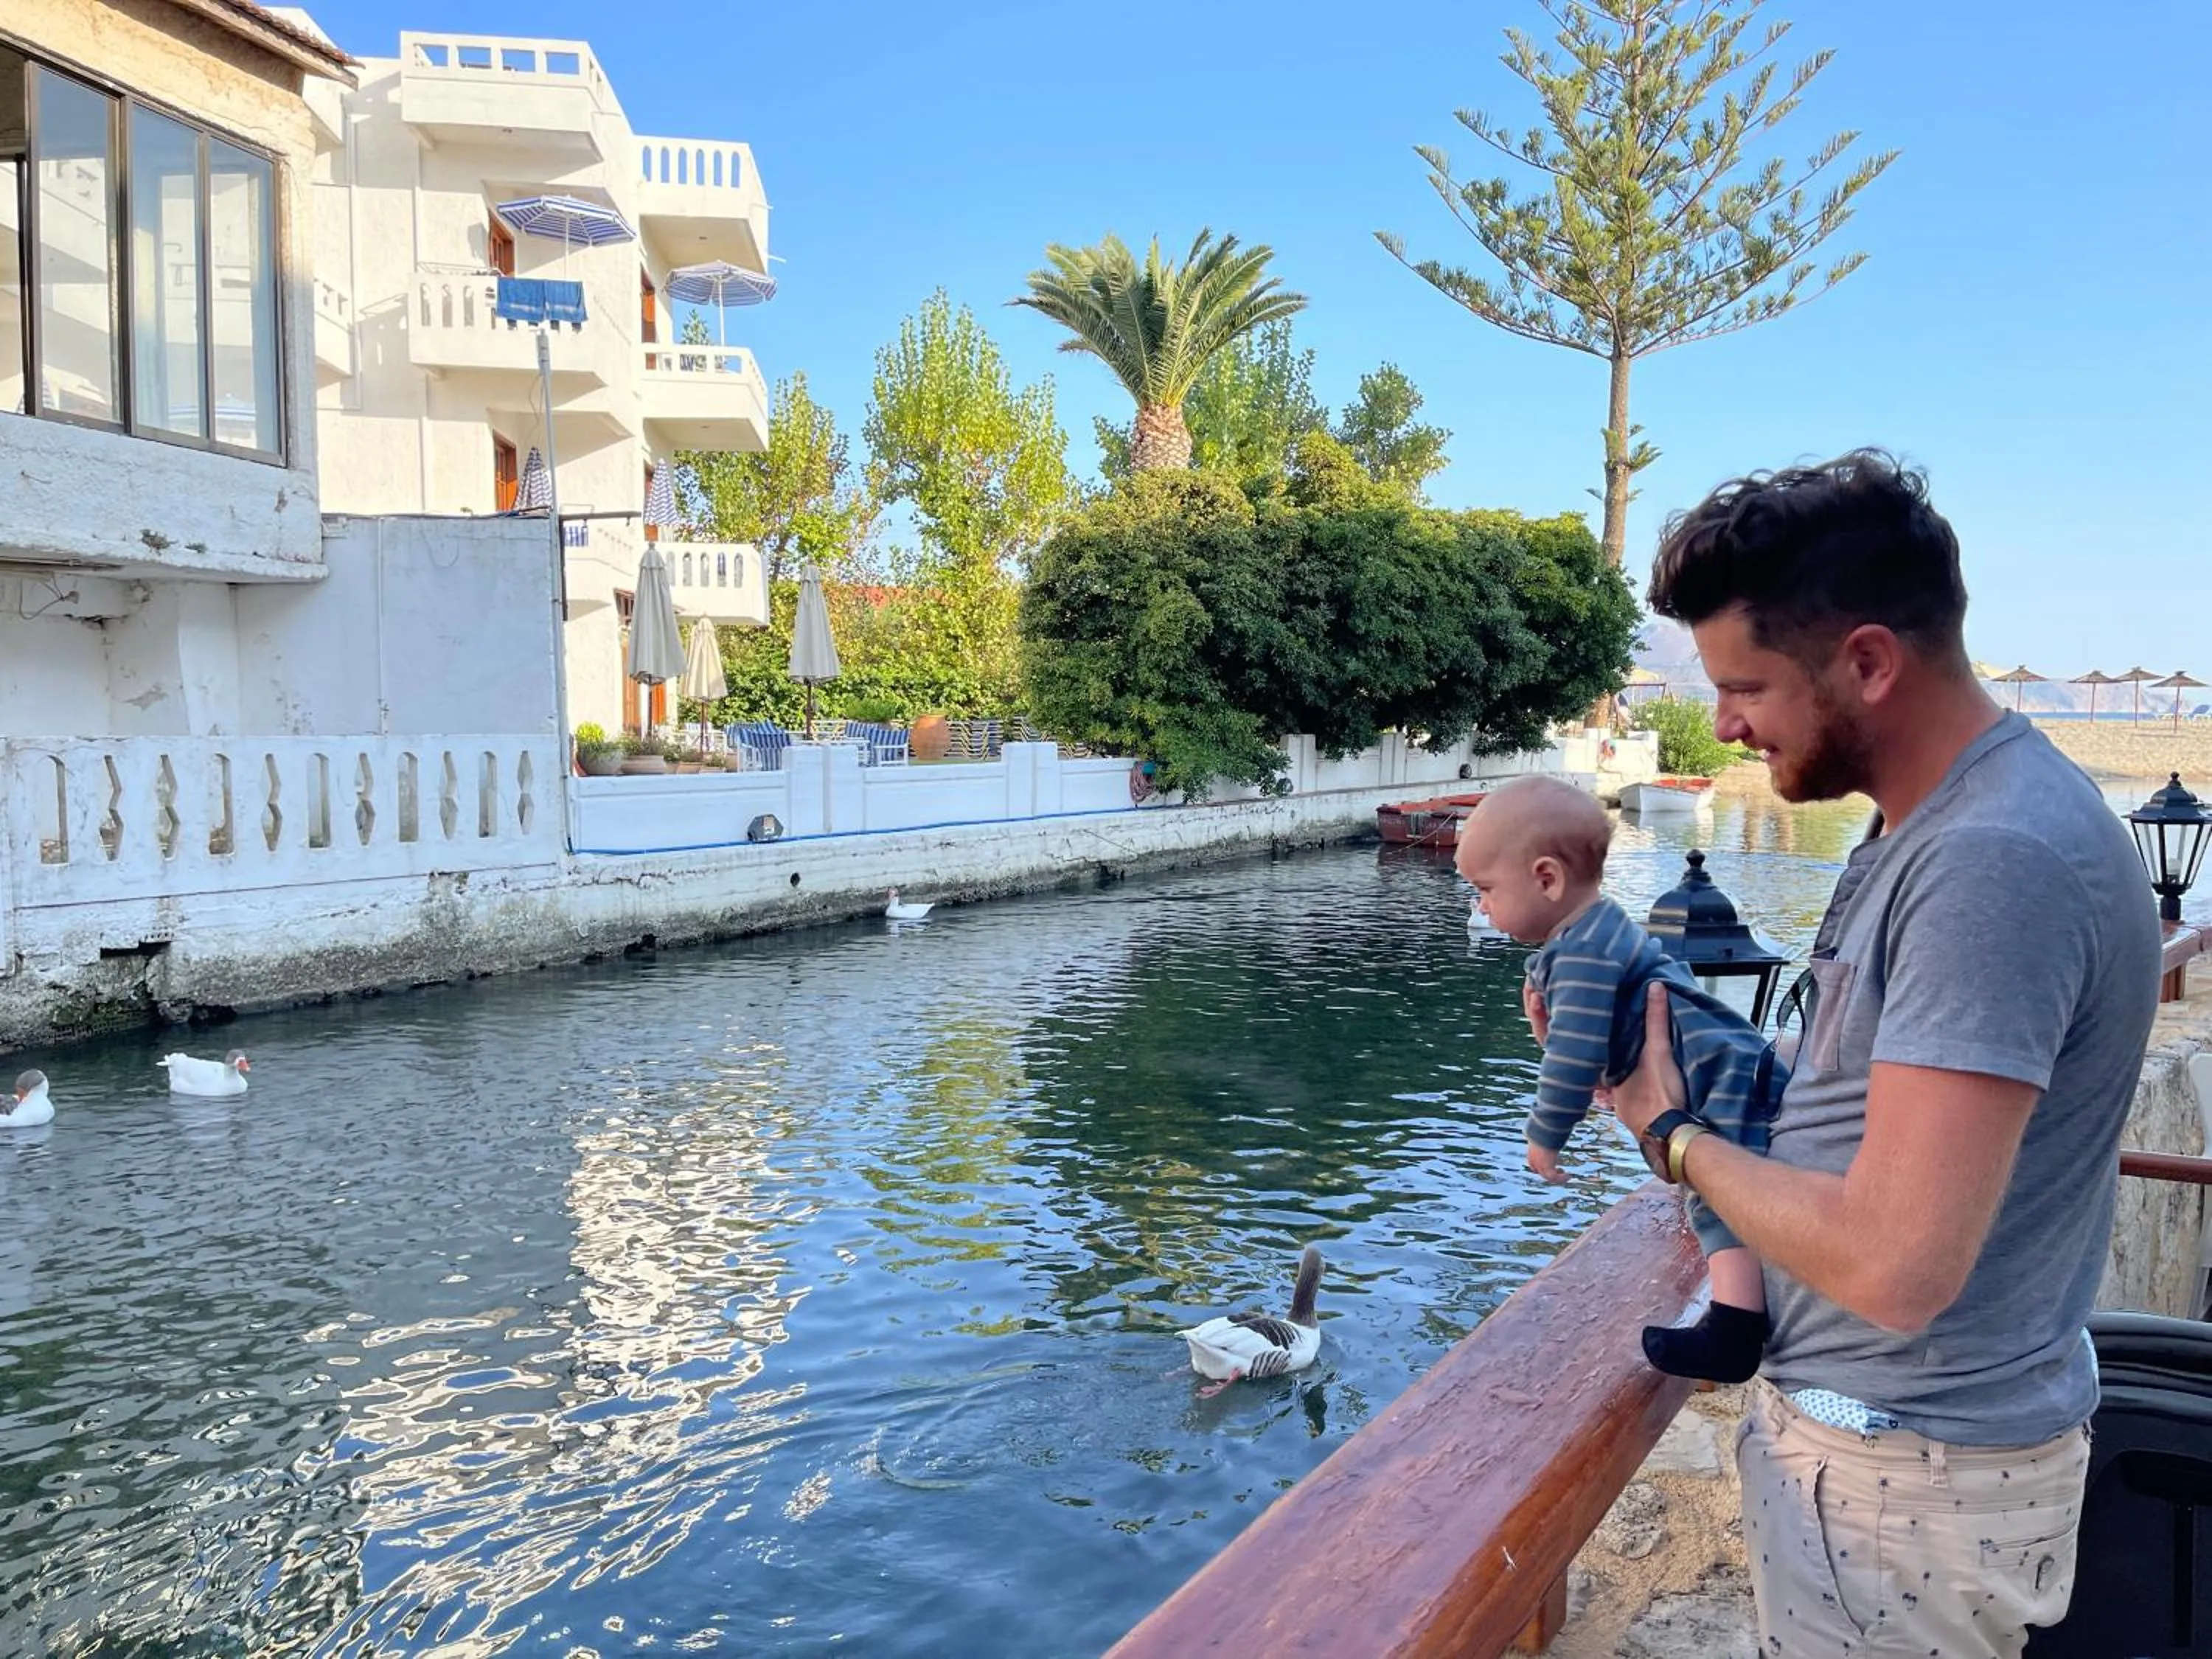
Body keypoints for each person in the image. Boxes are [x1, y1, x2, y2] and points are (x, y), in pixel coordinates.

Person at [1580, 450, 2159, 1658]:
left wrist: (1670, 1133)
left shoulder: (1992, 858)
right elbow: (1880, 1108)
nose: (1725, 724)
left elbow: (1900, 1265)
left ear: (1868, 663)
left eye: (1746, 687)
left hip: (1906, 1480)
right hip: (1911, 1464)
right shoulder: (1943, 818)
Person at [1457, 776, 1784, 1382]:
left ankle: (1737, 1329)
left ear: (1547, 879)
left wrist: (1545, 1134)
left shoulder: (1580, 952)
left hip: (1719, 1075)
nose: (1481, 907)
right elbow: (1601, 1045)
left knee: (1716, 1195)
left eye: (1485, 890)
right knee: (1713, 1191)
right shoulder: (1599, 932)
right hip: (1721, 1064)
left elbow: (1579, 1050)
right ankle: (1739, 1319)